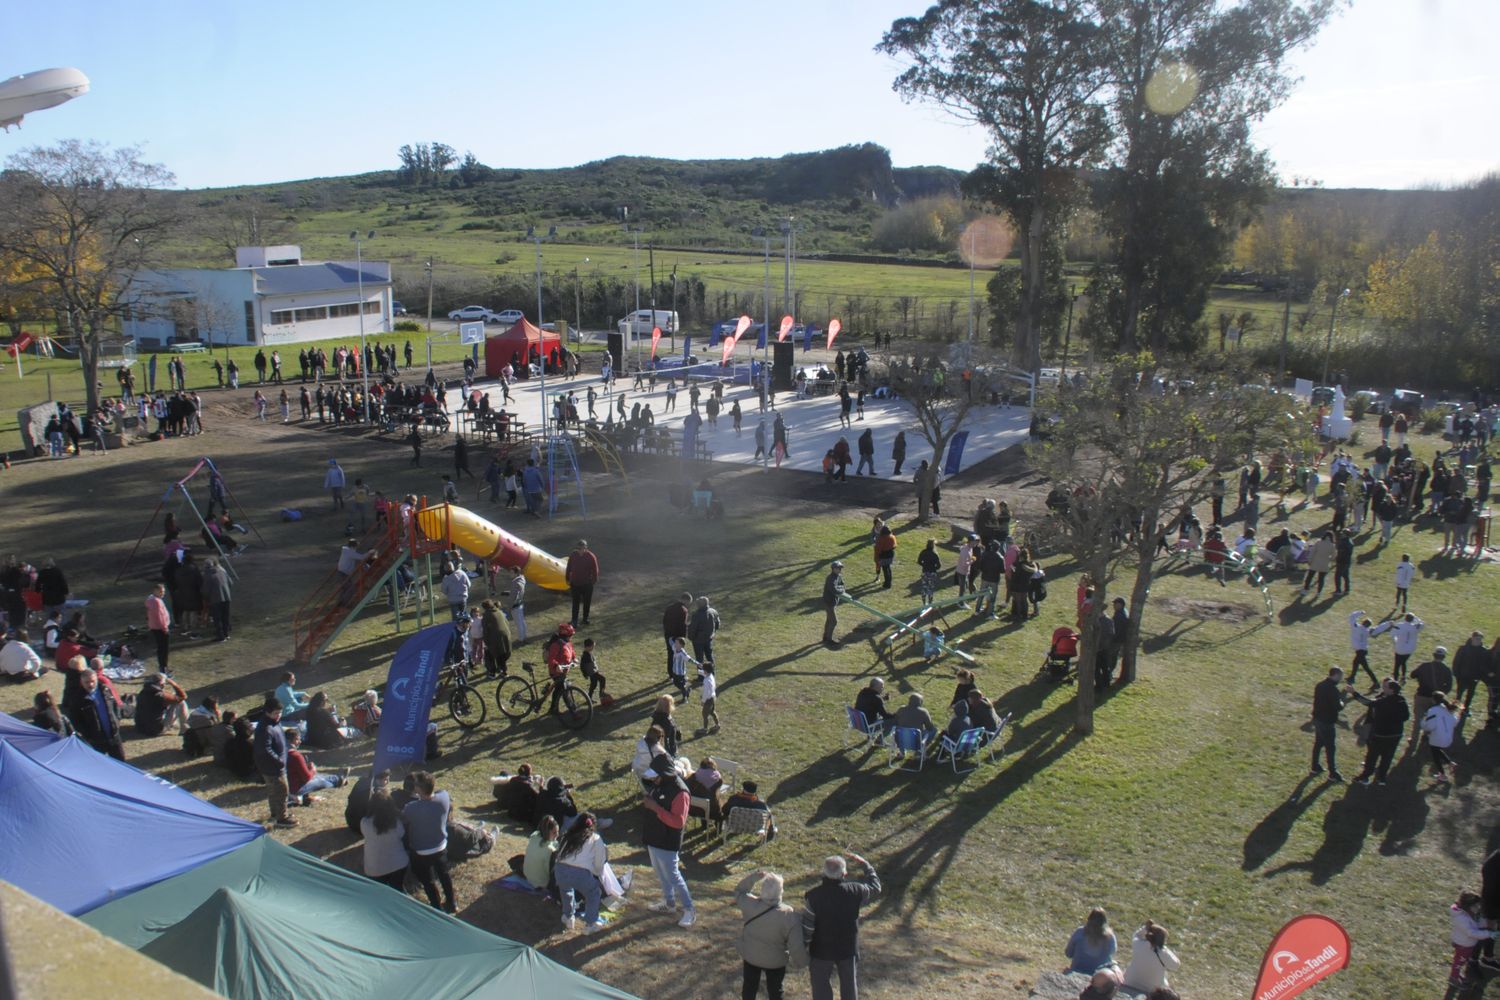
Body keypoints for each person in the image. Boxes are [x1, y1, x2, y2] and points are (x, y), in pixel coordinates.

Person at [802, 852, 880, 1000]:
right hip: (848, 949)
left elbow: (808, 927)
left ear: (823, 872)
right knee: (849, 986)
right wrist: (866, 865)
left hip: (820, 951)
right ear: (844, 873)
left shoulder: (813, 896)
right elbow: (875, 887)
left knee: (820, 987)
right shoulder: (856, 890)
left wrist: (803, 946)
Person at [736, 869, 808, 1000]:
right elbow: (795, 946)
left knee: (749, 988)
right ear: (781, 892)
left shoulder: (749, 904)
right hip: (776, 962)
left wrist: (754, 876)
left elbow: (740, 891)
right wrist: (803, 962)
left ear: (762, 890)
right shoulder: (789, 915)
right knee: (776, 991)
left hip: (751, 956)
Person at [643, 754, 696, 927]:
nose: (653, 779)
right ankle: (669, 903)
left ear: (664, 774)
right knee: (660, 871)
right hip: (654, 837)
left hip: (667, 840)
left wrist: (654, 807)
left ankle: (689, 909)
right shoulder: (659, 785)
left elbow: (678, 821)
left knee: (673, 875)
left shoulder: (680, 793)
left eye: (655, 776)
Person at [402, 770, 457, 912]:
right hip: (440, 846)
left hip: (420, 851)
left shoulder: (411, 808)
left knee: (428, 880)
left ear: (418, 789)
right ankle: (452, 903)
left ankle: (436, 907)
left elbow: (404, 820)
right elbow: (443, 793)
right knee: (444, 875)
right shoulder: (444, 797)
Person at [555, 812, 611, 934]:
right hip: (579, 873)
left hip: (559, 870)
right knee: (593, 892)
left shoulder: (567, 835)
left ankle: (568, 916)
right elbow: (599, 863)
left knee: (566, 890)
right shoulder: (596, 839)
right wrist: (597, 873)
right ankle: (590, 923)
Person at [1347, 677, 1410, 786]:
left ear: (1391, 690)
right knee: (1387, 757)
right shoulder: (1402, 700)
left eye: (1386, 687)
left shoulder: (1384, 701)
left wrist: (1354, 693)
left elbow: (1367, 703)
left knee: (1372, 756)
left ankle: (1365, 777)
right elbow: (1406, 717)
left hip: (1381, 734)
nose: (1383, 688)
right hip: (1396, 735)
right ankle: (1381, 778)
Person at [63, 666, 123, 759]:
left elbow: (115, 705)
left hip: (113, 736)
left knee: (121, 764)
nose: (90, 684)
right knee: (99, 765)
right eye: (87, 682)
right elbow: (75, 720)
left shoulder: (105, 690)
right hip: (96, 741)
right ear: (81, 682)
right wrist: (88, 735)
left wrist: (117, 720)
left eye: (93, 681)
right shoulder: (77, 699)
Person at [253, 696, 295, 828]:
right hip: (273, 768)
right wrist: (279, 762)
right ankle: (282, 818)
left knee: (273, 791)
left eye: (280, 713)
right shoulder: (265, 728)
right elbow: (265, 749)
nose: (278, 716)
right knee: (282, 791)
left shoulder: (274, 723)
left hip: (275, 766)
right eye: (276, 713)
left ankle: (275, 813)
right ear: (267, 712)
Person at [361, 790, 409, 892]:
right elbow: (401, 834)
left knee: (379, 893)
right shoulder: (396, 822)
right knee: (398, 889)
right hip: (399, 864)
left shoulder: (365, 822)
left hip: (375, 869)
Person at [286, 728, 348, 804]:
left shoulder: (282, 752)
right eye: (298, 739)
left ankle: (339, 779)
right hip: (296, 788)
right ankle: (339, 781)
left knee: (320, 776)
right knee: (320, 781)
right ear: (292, 740)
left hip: (287, 786)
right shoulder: (295, 755)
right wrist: (312, 769)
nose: (300, 742)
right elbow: (307, 777)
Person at [1310, 667, 1349, 782]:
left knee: (1318, 743)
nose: (1341, 679)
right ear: (1335, 675)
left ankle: (1315, 766)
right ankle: (1333, 773)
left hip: (1317, 719)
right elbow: (1338, 706)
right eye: (1340, 677)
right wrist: (1342, 702)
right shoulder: (1333, 690)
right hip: (1327, 722)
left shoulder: (1320, 685)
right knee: (1330, 747)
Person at [1410, 646, 1454, 747]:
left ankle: (1413, 740)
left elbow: (1412, 675)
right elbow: (1449, 686)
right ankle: (1426, 737)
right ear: (1444, 657)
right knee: (1431, 719)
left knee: (1418, 719)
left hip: (1421, 696)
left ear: (1434, 655)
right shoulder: (1447, 670)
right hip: (1436, 700)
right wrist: (1441, 694)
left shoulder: (1425, 666)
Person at [1122, 920, 1180, 994]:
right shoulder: (1164, 953)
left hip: (1129, 983)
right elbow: (1176, 965)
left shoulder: (1138, 944)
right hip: (1151, 992)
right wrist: (1165, 948)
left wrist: (1146, 928)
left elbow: (1136, 935)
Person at [1451, 890, 1495, 988]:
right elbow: (1472, 933)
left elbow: (1477, 924)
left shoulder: (1470, 915)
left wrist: (1487, 926)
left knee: (1462, 961)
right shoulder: (1462, 919)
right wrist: (1489, 934)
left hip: (1468, 944)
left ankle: (1457, 975)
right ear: (1467, 906)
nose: (1478, 908)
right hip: (1463, 945)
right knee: (1459, 962)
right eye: (1475, 906)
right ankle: (1454, 978)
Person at [134, 673, 190, 737]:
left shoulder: (143, 692)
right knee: (181, 703)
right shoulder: (161, 696)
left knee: (170, 701)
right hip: (155, 730)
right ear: (160, 683)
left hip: (141, 728)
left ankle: (173, 724)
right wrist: (174, 684)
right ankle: (185, 729)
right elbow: (183, 697)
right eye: (164, 682)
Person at [1065, 907, 1118, 974]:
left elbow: (1068, 953)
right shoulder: (1110, 937)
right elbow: (1112, 952)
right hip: (1099, 977)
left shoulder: (1079, 932)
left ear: (1089, 919)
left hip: (1076, 972)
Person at [1422, 694, 1461, 783]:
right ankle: (1450, 763)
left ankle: (1442, 774)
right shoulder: (1448, 709)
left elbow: (1429, 725)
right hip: (1447, 737)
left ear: (1433, 700)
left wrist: (1424, 725)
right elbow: (1455, 722)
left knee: (1435, 754)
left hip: (1437, 737)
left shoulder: (1433, 710)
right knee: (1436, 749)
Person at [545, 622, 578, 715]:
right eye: (570, 635)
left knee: (558, 689)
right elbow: (551, 659)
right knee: (564, 689)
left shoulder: (568, 643)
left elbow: (571, 651)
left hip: (563, 671)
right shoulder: (556, 645)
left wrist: (574, 658)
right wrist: (556, 665)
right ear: (565, 635)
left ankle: (552, 709)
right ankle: (573, 711)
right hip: (555, 671)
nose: (571, 637)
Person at [565, 539, 600, 627]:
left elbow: (595, 570)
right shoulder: (573, 555)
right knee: (575, 603)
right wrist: (567, 578)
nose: (580, 550)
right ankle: (574, 620)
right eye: (579, 548)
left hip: (587, 584)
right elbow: (569, 567)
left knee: (586, 602)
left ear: (586, 548)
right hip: (575, 583)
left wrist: (593, 581)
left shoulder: (591, 556)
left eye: (582, 548)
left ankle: (585, 619)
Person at [522, 814, 560, 893]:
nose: (557, 835)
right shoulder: (551, 851)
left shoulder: (534, 836)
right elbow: (550, 872)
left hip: (528, 877)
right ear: (547, 832)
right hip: (542, 883)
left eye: (558, 832)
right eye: (554, 832)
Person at [662, 592, 692, 685]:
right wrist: (683, 637)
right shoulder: (683, 610)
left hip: (668, 635)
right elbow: (683, 625)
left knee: (670, 655)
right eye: (689, 602)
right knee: (679, 656)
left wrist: (667, 632)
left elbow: (664, 621)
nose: (688, 604)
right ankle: (679, 674)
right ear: (685, 600)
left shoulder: (669, 608)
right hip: (678, 636)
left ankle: (671, 675)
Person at [145, 582, 172, 673]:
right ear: (155, 591)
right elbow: (160, 616)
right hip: (160, 628)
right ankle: (163, 667)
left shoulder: (150, 599)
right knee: (164, 648)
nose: (163, 593)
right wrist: (165, 628)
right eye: (161, 592)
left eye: (163, 591)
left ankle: (163, 666)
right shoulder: (156, 601)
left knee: (161, 648)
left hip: (154, 627)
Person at [822, 561, 846, 648]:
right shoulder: (830, 578)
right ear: (833, 569)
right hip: (828, 602)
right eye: (838, 568)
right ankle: (828, 639)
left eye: (840, 568)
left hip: (833, 602)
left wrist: (841, 589)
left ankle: (825, 637)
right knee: (834, 621)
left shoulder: (838, 576)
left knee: (829, 620)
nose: (840, 570)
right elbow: (834, 590)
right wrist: (841, 590)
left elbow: (842, 586)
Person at [578, 637, 608, 703]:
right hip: (592, 673)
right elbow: (582, 666)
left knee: (593, 685)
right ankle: (601, 693)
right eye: (592, 646)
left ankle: (589, 699)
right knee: (603, 679)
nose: (593, 648)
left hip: (594, 672)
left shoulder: (588, 653)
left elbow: (592, 663)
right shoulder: (585, 655)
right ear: (588, 646)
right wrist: (585, 674)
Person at [698, 659, 720, 734]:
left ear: (706, 671)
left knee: (704, 714)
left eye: (703, 669)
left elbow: (706, 693)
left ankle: (705, 729)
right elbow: (704, 673)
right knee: (712, 712)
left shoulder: (706, 681)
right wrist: (700, 670)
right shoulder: (711, 675)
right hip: (713, 698)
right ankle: (717, 725)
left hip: (708, 699)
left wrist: (703, 701)